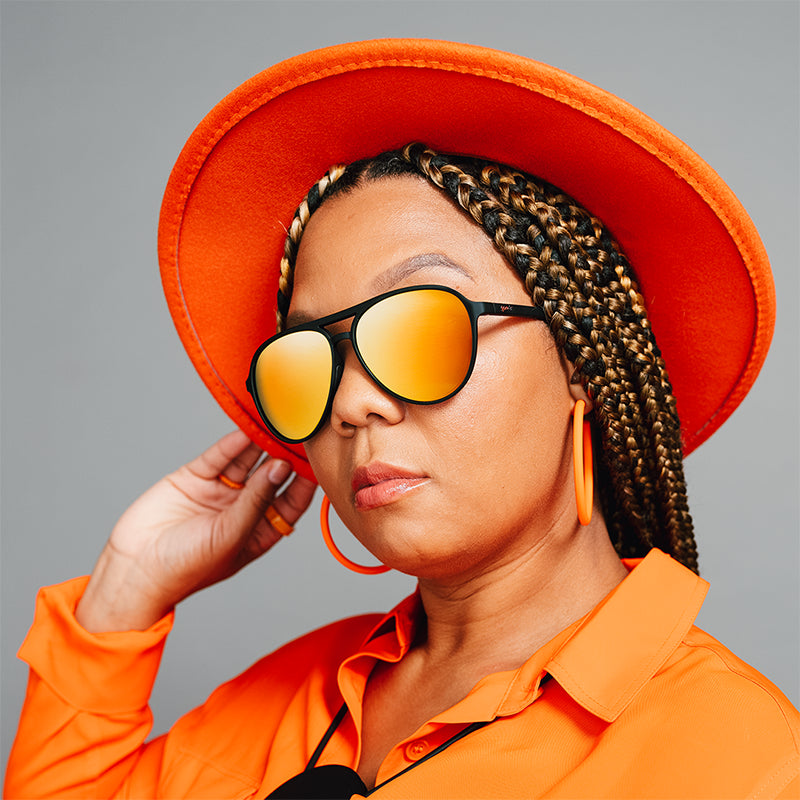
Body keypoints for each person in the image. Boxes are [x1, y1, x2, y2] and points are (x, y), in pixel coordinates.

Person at [5, 39, 798, 800]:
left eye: (419, 329)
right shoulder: (286, 699)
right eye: (311, 357)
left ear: (580, 368)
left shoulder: (750, 763)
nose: (351, 402)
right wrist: (126, 594)